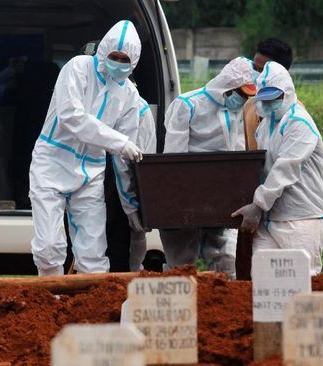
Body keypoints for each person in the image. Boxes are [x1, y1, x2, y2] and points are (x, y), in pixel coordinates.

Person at [29, 20, 145, 276]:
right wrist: (119, 142)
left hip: (91, 172)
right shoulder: (77, 69)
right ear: (103, 50)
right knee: (49, 248)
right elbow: (71, 117)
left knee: (93, 256)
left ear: (134, 61)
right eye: (114, 56)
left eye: (125, 59)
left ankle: (90, 309)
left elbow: (123, 159)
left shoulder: (129, 96)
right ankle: (50, 304)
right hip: (53, 163)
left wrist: (131, 206)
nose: (118, 63)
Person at [232, 61, 323, 276]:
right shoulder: (266, 126)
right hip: (270, 218)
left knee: (303, 281)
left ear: (287, 94)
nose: (269, 105)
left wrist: (257, 205)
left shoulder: (299, 123)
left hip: (302, 219)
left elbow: (284, 170)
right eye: (265, 100)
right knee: (263, 281)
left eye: (274, 99)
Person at [161, 57, 255, 278]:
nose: (243, 99)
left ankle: (226, 302)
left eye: (247, 95)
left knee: (226, 257)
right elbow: (174, 156)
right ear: (227, 87)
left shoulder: (237, 112)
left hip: (222, 192)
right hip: (188, 192)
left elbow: (239, 150)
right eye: (241, 93)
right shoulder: (188, 105)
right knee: (181, 261)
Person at [244, 38, 294, 150]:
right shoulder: (249, 106)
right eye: (254, 69)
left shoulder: (293, 113)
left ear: (279, 73)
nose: (256, 76)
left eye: (261, 70)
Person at [128, 97, 157, 272]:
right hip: (105, 180)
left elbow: (145, 153)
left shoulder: (140, 107)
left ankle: (133, 272)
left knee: (136, 232)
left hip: (132, 176)